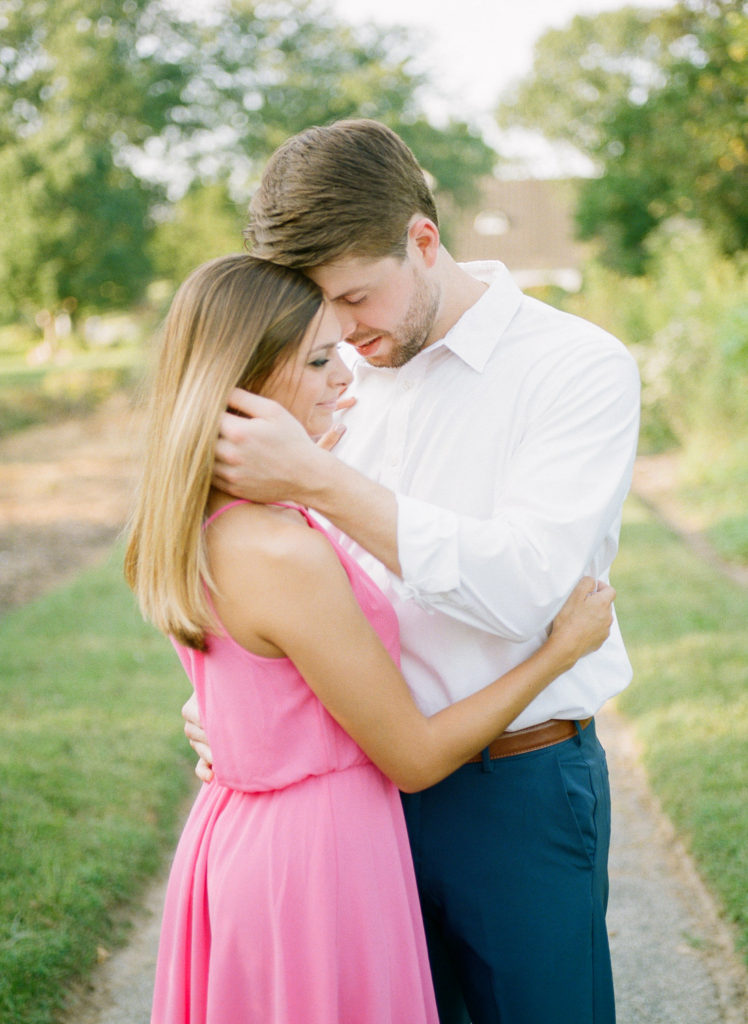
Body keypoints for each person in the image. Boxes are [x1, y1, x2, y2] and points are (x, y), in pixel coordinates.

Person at [182, 119, 641, 1024]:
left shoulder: (573, 367)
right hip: (356, 802)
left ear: (422, 240)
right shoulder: (334, 375)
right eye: (323, 309)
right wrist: (237, 701)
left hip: (514, 791)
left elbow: (526, 592)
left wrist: (322, 478)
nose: (346, 336)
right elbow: (288, 574)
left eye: (355, 296)